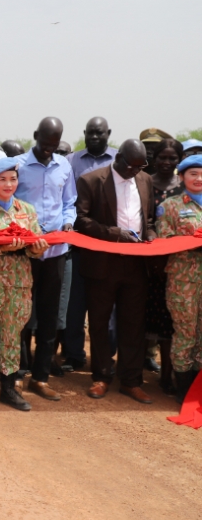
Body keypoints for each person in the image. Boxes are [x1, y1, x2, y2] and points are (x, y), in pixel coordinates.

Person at [74, 139, 155, 404]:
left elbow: (149, 219)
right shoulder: (91, 180)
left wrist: (151, 235)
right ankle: (101, 376)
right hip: (103, 264)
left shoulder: (145, 180)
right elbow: (81, 220)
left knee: (133, 323)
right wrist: (114, 233)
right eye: (131, 166)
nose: (135, 171)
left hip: (136, 264)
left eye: (140, 166)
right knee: (99, 322)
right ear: (118, 158)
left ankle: (131, 380)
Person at [0, 158, 49, 411]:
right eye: (2, 179)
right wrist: (2, 247)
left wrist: (38, 248)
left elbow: (35, 247)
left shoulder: (27, 210)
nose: (8, 184)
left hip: (18, 284)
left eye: (12, 179)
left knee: (12, 335)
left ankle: (9, 388)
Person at [13, 117, 77, 401]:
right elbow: (9, 204)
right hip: (25, 253)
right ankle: (17, 373)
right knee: (21, 316)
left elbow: (69, 202)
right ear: (35, 135)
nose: (49, 148)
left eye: (54, 143)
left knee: (49, 316)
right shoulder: (18, 166)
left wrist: (68, 223)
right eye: (45, 142)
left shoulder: (64, 166)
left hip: (56, 253)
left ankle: (40, 378)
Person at [61, 117, 117, 372]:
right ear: (84, 133)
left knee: (108, 305)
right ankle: (74, 354)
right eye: (90, 133)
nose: (94, 137)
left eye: (99, 133)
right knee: (75, 303)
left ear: (108, 133)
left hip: (110, 243)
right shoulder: (71, 160)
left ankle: (106, 356)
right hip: (78, 243)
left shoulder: (118, 159)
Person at [156, 155, 202, 402]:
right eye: (193, 174)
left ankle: (198, 390)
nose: (199, 178)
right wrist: (193, 243)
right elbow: (163, 240)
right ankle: (183, 390)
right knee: (186, 333)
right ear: (182, 177)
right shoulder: (170, 206)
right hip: (184, 280)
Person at [146, 138, 183, 394]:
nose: (167, 162)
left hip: (177, 265)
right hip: (146, 263)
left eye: (172, 158)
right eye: (162, 157)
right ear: (154, 158)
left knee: (170, 321)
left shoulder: (185, 187)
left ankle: (167, 376)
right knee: (142, 317)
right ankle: (134, 372)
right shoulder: (144, 183)